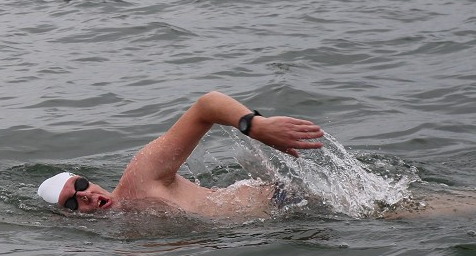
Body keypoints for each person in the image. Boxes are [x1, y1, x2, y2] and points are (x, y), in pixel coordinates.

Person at [37, 91, 324, 218]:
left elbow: (207, 105)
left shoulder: (140, 179)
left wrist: (256, 125)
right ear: (68, 218)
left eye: (80, 185)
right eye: (72, 204)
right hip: (275, 225)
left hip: (288, 202)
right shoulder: (129, 239)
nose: (84, 196)